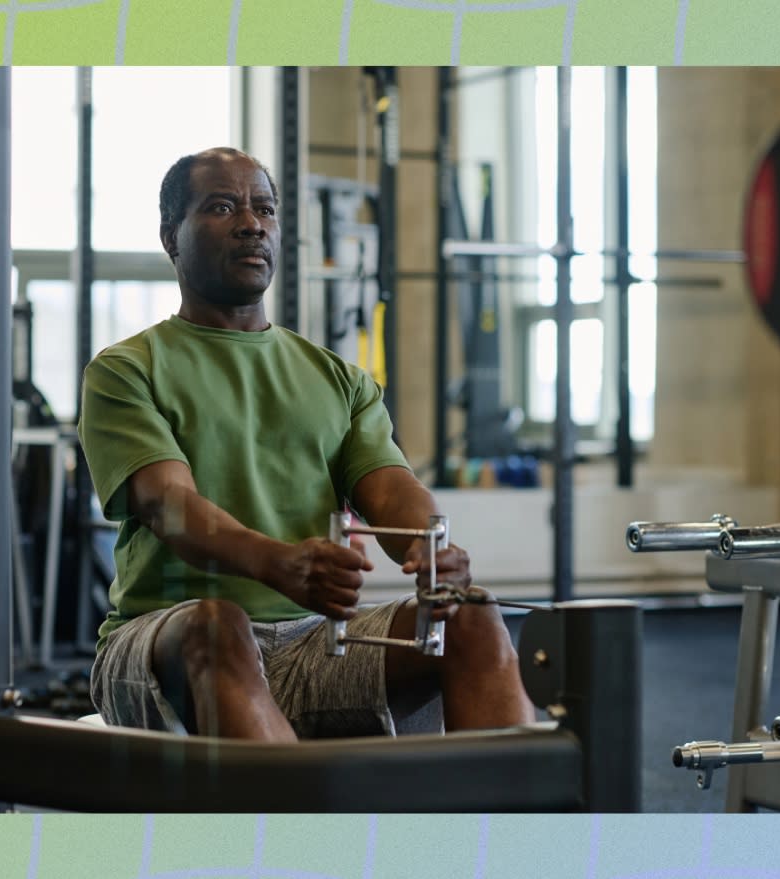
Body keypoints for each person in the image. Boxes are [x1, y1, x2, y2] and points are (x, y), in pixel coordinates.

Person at [78, 146, 533, 741]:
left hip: (312, 642)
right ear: (172, 237)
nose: (251, 223)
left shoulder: (336, 378)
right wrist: (279, 564)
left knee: (473, 616)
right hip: (166, 638)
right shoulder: (125, 370)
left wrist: (430, 548)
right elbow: (170, 506)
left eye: (264, 210)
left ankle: (514, 831)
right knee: (218, 625)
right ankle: (295, 827)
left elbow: (390, 487)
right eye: (221, 207)